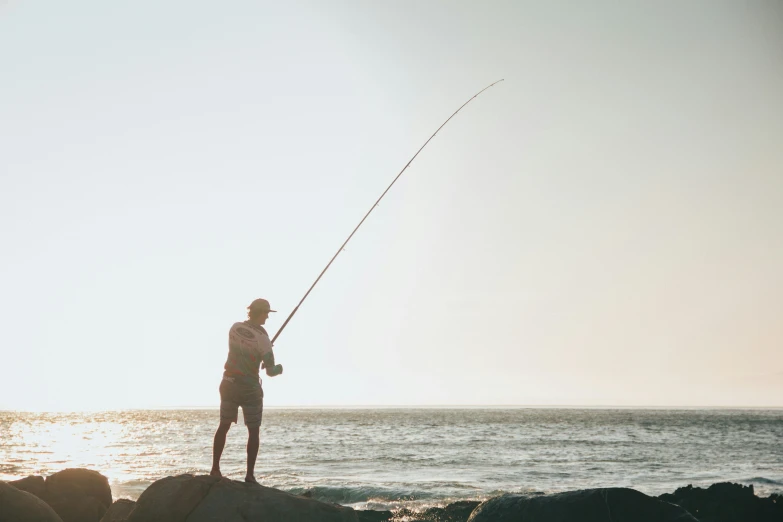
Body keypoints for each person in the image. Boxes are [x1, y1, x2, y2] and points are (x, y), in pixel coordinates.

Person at [210, 298, 283, 483]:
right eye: (266, 313)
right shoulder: (264, 340)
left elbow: (245, 346)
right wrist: (280, 367)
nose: (267, 316)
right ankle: (249, 476)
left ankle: (215, 469)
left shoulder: (234, 328)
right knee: (253, 431)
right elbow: (270, 371)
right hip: (249, 388)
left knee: (223, 426)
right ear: (260, 312)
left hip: (228, 383)